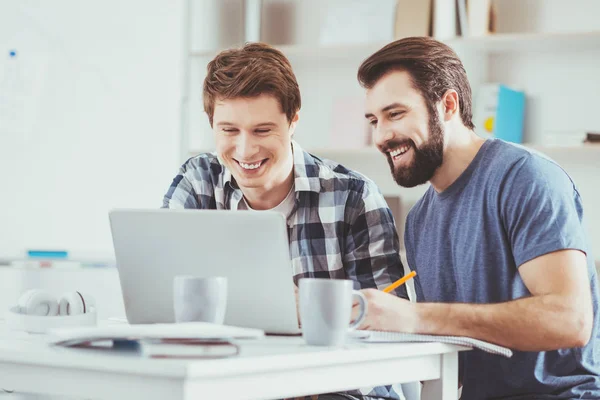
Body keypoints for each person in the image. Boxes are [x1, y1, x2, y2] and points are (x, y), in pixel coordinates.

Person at [354, 36, 600, 399]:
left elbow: (570, 320)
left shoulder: (526, 178)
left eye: (396, 114)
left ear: (448, 105)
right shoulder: (420, 219)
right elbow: (447, 361)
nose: (381, 136)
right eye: (374, 120)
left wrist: (417, 318)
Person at [162, 42, 408, 400]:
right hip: (230, 386)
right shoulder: (198, 182)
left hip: (337, 391)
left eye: (262, 131)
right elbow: (164, 300)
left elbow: (391, 328)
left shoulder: (353, 197)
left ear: (293, 121)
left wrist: (315, 313)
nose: (245, 151)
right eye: (229, 131)